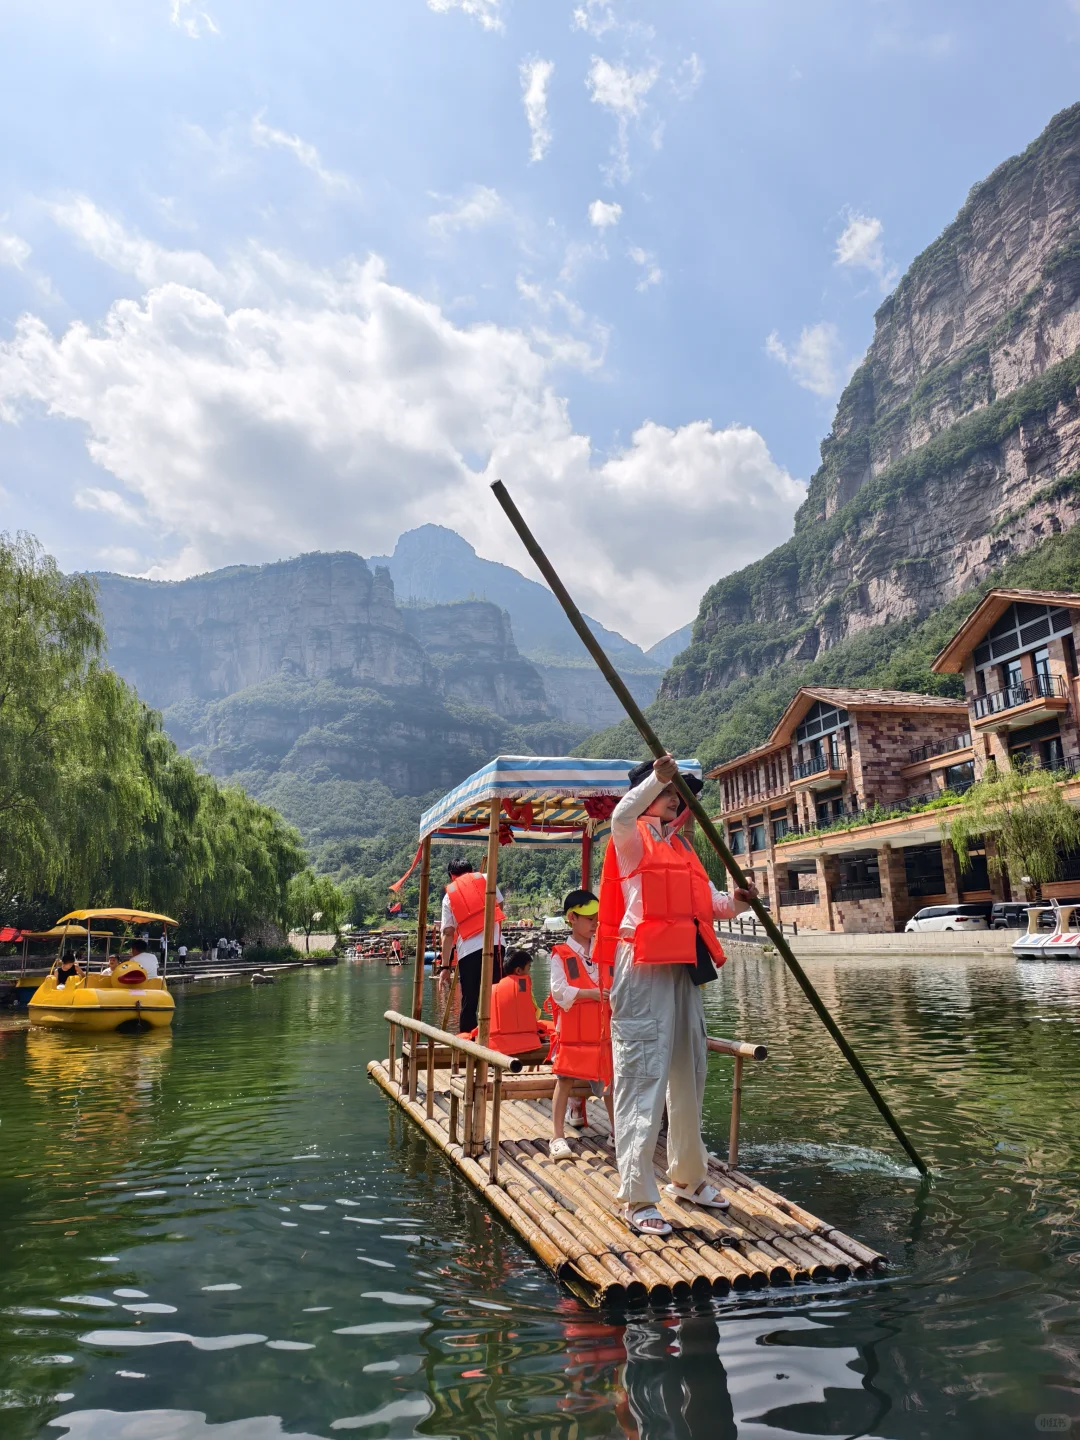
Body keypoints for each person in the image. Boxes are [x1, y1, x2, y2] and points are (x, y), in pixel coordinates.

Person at [598, 754, 758, 1236]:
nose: (676, 799)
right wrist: (657, 779)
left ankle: (688, 1178)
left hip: (684, 964)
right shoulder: (630, 837)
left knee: (689, 1068)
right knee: (642, 1073)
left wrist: (738, 902)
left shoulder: (683, 848)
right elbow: (620, 814)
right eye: (670, 791)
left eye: (677, 794)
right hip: (641, 964)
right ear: (650, 791)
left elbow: (711, 904)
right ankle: (637, 1194)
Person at [548, 889, 614, 1157]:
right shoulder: (560, 954)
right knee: (564, 1081)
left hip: (601, 1032)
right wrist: (590, 994)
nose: (594, 922)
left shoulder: (604, 950)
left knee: (608, 1084)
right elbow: (558, 992)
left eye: (596, 917)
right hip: (573, 1033)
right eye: (589, 918)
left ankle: (616, 1132)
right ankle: (556, 1136)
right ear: (572, 918)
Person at [441, 858, 504, 1036]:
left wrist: (445, 966)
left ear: (452, 876)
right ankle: (497, 1038)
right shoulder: (486, 879)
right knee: (496, 995)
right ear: (471, 870)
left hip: (468, 952)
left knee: (470, 1000)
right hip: (496, 945)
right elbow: (500, 906)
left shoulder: (449, 895)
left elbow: (447, 933)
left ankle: (467, 1042)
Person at [484, 949, 549, 1056]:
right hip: (526, 1040)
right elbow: (535, 1013)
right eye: (529, 968)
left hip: (498, 1043)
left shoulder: (494, 989)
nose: (529, 972)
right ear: (519, 971)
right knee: (548, 1028)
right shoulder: (523, 987)